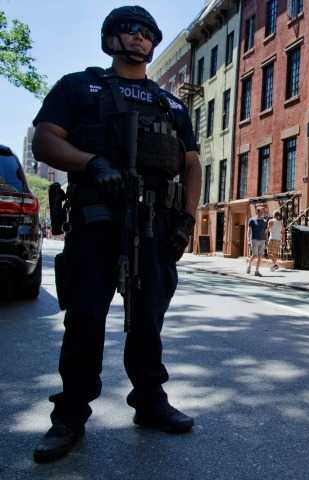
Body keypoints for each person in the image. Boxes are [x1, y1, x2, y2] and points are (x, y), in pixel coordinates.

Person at [30, 6, 202, 463]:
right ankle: (69, 415)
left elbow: (191, 164)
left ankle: (149, 401)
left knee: (149, 320)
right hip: (97, 221)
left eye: (147, 33)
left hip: (156, 225)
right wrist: (91, 163)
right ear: (110, 38)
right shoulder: (78, 86)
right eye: (129, 30)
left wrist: (187, 219)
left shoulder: (171, 104)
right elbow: (45, 139)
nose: (139, 38)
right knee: (85, 319)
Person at [247, 206, 268, 276]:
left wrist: (266, 241)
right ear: (258, 212)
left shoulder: (264, 221)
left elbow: (265, 232)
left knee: (260, 256)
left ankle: (257, 271)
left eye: (263, 211)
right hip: (254, 240)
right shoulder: (252, 220)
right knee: (254, 255)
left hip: (262, 240)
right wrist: (248, 240)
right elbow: (249, 231)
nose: (263, 212)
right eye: (262, 211)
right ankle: (249, 265)